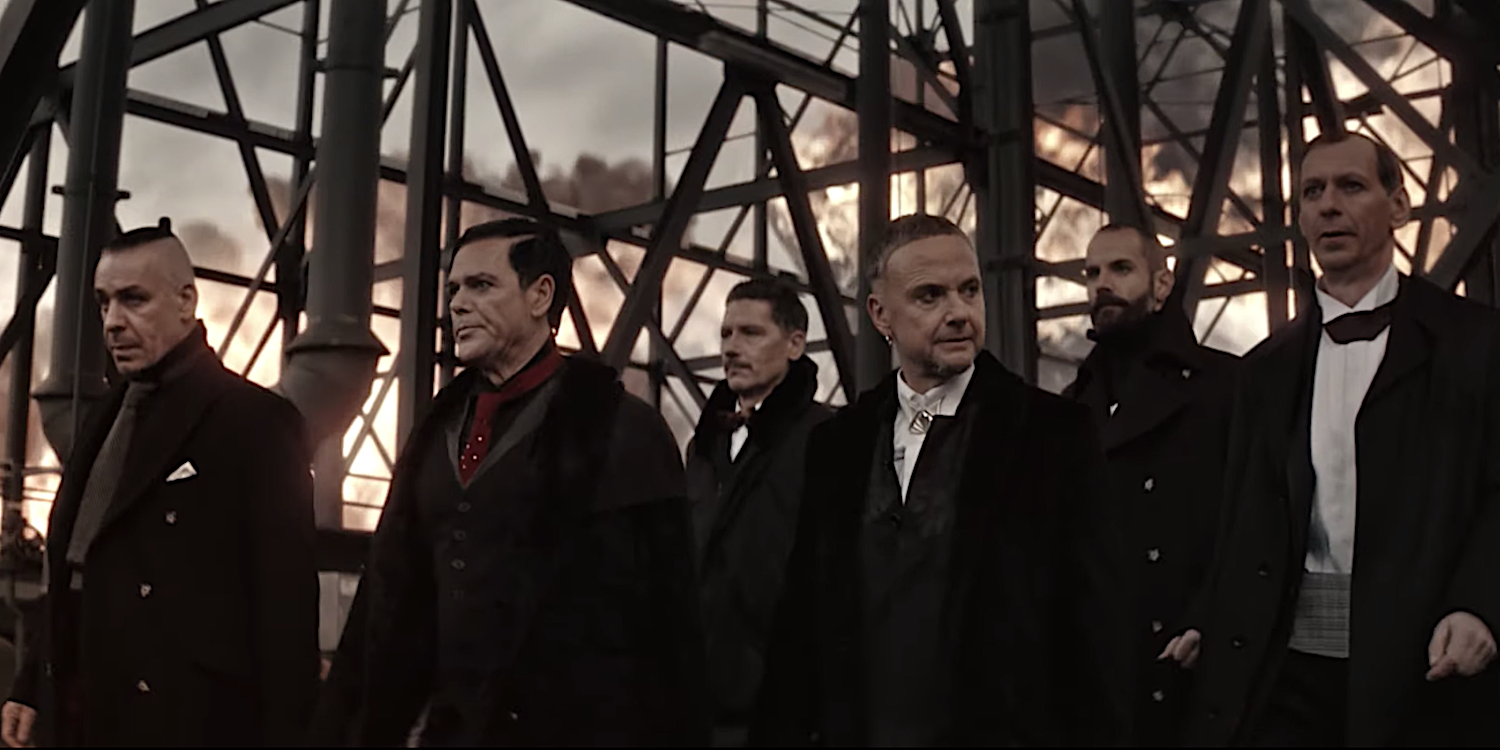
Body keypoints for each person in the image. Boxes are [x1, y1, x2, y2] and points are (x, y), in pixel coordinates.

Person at [311, 218, 707, 746]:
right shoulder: (435, 432)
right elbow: (385, 601)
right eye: (454, 289)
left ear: (540, 295)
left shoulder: (623, 431)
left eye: (481, 285)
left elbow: (669, 624)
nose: (457, 304)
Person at [1163, 133, 1500, 745]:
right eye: (1312, 192)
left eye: (1351, 186)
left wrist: (1479, 604)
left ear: (1398, 206)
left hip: (1425, 660)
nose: (1328, 206)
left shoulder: (1475, 343)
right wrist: (1209, 615)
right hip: (1287, 667)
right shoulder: (1264, 368)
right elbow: (1243, 516)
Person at [753, 213, 1130, 746]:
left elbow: (1097, 631)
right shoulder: (838, 444)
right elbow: (801, 624)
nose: (958, 312)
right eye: (929, 296)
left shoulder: (1053, 434)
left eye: (969, 290)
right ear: (880, 314)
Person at [1, 220, 319, 747]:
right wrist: (31, 686)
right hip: (84, 716)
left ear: (185, 301)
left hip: (188, 723)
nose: (113, 322)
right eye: (103, 303)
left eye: (134, 299)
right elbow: (74, 575)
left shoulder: (255, 422)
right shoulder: (105, 416)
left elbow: (286, 612)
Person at [1062, 224, 1237, 744]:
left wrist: (1212, 615)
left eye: (1121, 269)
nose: (1102, 284)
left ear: (1162, 285)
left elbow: (1255, 521)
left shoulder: (1227, 387)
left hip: (1194, 663)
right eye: (1091, 273)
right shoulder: (1071, 409)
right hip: (1105, 676)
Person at [687, 278, 833, 747]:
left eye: (750, 333)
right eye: (726, 334)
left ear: (795, 344)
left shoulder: (829, 438)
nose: (731, 348)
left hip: (787, 709)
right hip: (700, 704)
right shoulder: (704, 445)